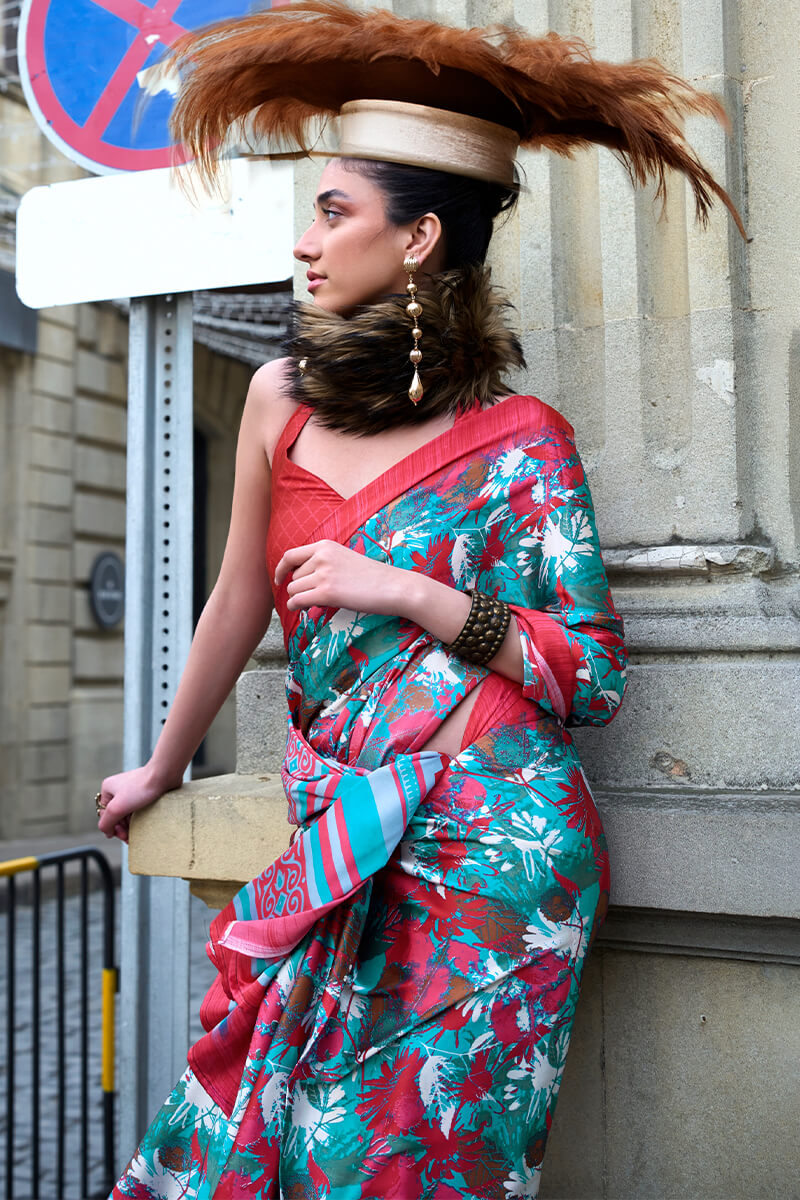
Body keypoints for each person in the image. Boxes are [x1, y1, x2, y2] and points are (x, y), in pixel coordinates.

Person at [98, 4, 742, 1196]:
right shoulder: (278, 399)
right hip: (342, 834)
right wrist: (159, 765)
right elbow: (235, 600)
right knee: (269, 1148)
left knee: (414, 1169)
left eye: (333, 212)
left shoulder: (521, 439)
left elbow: (590, 673)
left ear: (418, 237)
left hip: (500, 861)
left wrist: (409, 592)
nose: (305, 243)